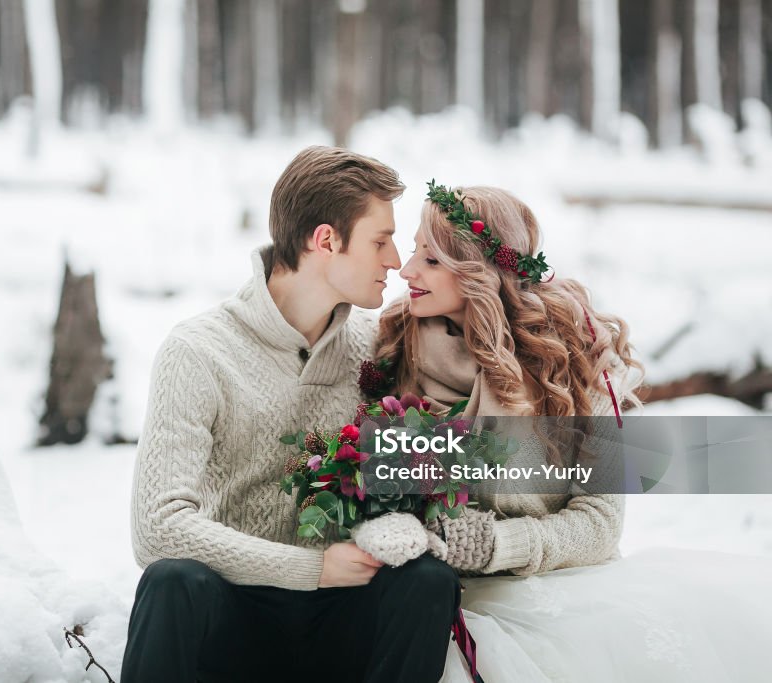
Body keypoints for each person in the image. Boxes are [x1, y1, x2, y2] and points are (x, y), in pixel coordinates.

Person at [359, 181, 771, 681]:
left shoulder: (574, 360)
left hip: (559, 594)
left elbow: (601, 522)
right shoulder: (393, 348)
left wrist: (498, 544)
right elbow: (373, 481)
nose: (407, 271)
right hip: (433, 599)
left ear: (478, 274)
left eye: (431, 259)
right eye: (413, 253)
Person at [121, 147, 461, 683]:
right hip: (235, 617)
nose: (394, 260)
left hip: (341, 619)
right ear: (325, 240)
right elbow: (156, 529)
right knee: (172, 582)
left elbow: (472, 437)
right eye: (380, 241)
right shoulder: (198, 351)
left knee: (427, 581)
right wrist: (312, 569)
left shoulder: (378, 347)